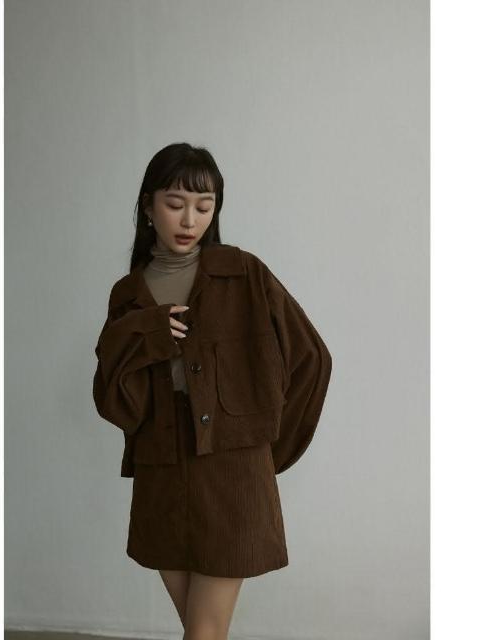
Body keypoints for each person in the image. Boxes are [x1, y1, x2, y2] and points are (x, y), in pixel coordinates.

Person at [93, 142, 332, 639]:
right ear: (148, 205)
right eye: (175, 204)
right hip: (161, 476)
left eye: (205, 207)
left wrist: (261, 453)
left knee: (202, 633)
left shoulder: (244, 274)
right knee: (204, 632)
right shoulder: (128, 295)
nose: (190, 220)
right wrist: (146, 333)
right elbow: (116, 403)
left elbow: (312, 360)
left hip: (232, 477)